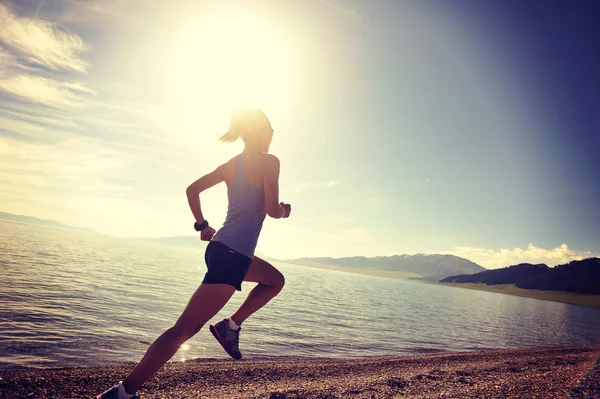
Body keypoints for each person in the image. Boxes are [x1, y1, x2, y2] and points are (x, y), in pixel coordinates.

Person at [97, 109, 291, 399]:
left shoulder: (230, 165)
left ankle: (231, 326)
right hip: (233, 255)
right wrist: (285, 210)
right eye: (271, 131)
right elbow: (272, 210)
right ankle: (122, 393)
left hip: (221, 249)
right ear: (259, 132)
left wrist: (202, 225)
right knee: (183, 330)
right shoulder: (269, 162)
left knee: (274, 280)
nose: (273, 137)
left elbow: (192, 189)